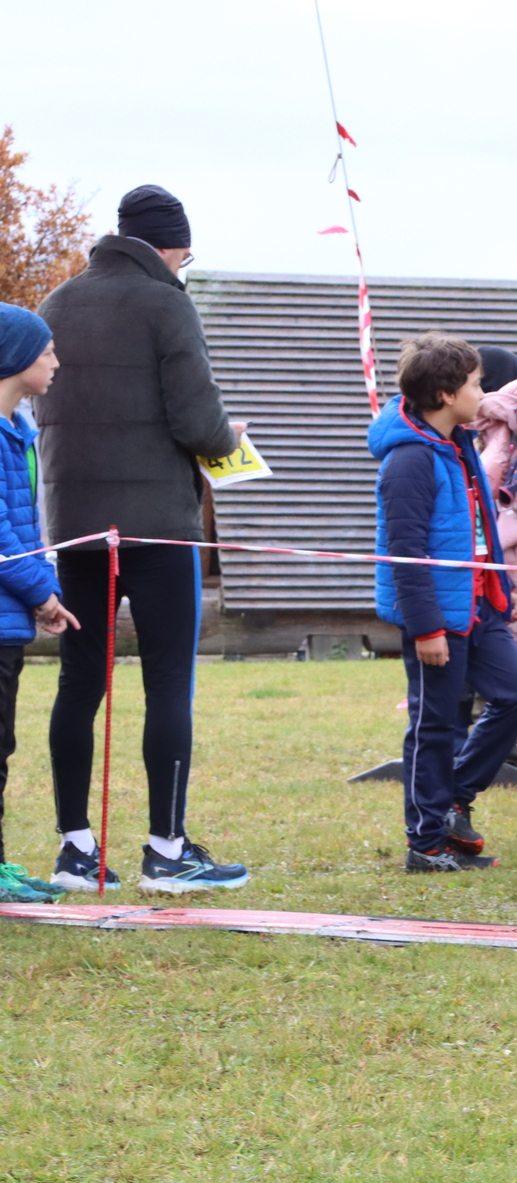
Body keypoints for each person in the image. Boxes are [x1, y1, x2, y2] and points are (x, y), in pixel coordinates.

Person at [35, 184, 250, 894]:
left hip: (76, 524)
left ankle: (74, 847)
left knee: (79, 682)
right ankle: (167, 849)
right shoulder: (167, 302)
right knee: (168, 683)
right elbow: (198, 421)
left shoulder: (58, 302)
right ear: (172, 246)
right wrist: (229, 439)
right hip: (157, 527)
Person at [371, 335, 517, 872]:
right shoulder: (410, 461)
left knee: (516, 695)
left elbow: (479, 529)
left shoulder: (461, 445)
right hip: (439, 617)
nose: (481, 393)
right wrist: (426, 628)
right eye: (474, 384)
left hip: (481, 605)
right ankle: (425, 844)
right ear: (445, 394)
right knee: (436, 725)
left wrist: (502, 590)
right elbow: (405, 552)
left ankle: (453, 799)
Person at [0, 307, 79, 903]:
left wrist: (44, 588)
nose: (55, 361)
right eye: (46, 351)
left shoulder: (18, 430)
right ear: (14, 357)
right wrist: (43, 592)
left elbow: (29, 529)